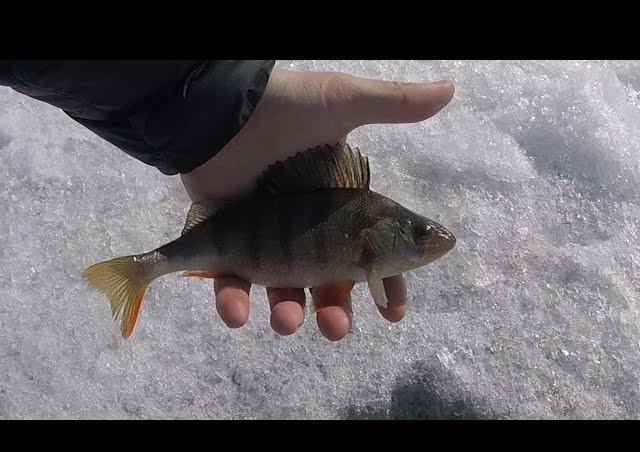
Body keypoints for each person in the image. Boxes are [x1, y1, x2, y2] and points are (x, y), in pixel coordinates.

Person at [0, 60, 455, 341]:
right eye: (418, 232)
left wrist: (214, 99)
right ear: (380, 238)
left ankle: (144, 269)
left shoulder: (368, 234)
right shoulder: (368, 236)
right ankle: (140, 270)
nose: (430, 238)